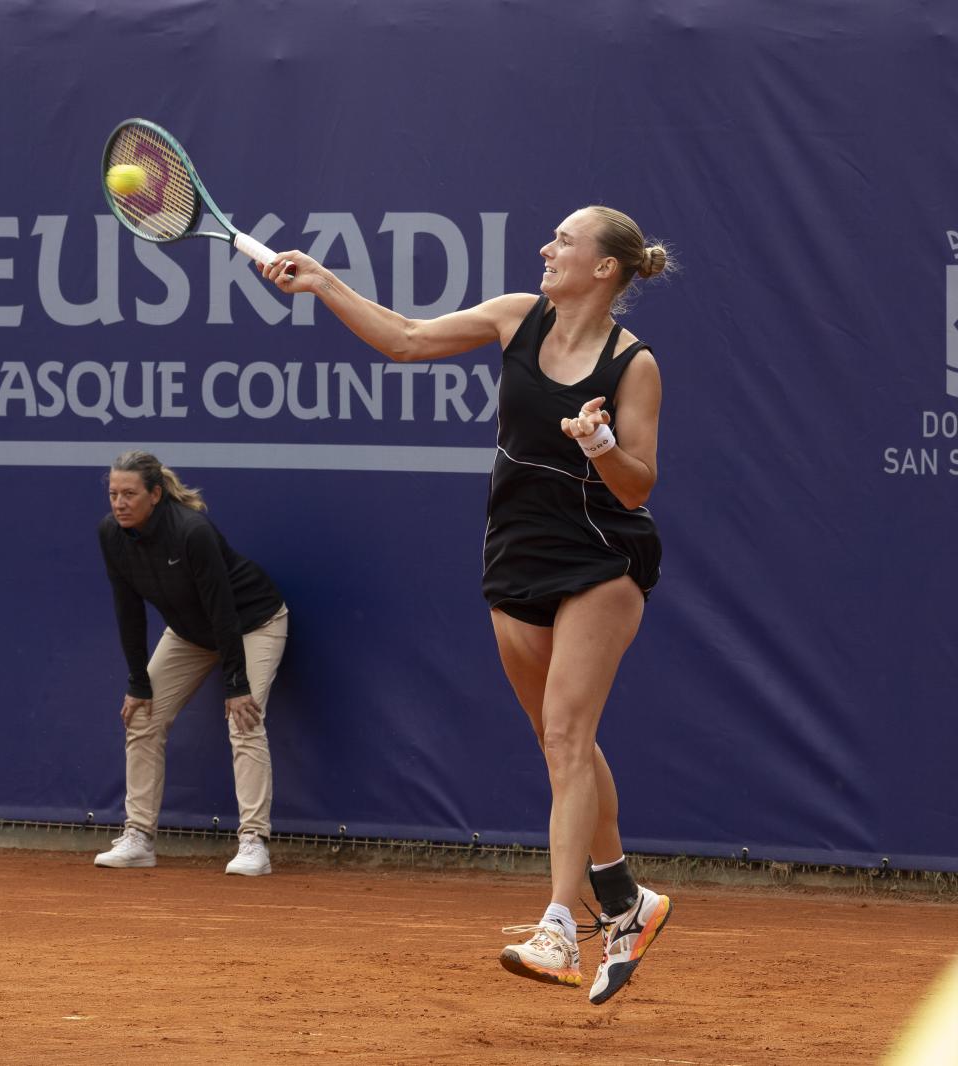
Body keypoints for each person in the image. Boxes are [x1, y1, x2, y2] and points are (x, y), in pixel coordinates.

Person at [261, 206, 673, 1003]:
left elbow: (638, 481)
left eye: (565, 241)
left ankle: (560, 926)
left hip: (603, 557)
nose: (547, 248)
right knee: (563, 749)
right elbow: (407, 340)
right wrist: (323, 284)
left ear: (604, 269)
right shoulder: (518, 316)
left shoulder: (634, 365)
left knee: (565, 734)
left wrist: (599, 446)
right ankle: (625, 901)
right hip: (515, 552)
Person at [95, 451, 289, 876]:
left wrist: (236, 683)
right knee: (141, 715)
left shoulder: (191, 531)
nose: (119, 503)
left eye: (129, 493)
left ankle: (254, 840)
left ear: (156, 495)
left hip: (253, 622)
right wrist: (137, 680)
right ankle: (139, 838)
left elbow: (224, 611)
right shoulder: (111, 534)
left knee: (245, 720)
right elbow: (127, 609)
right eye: (113, 493)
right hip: (190, 633)